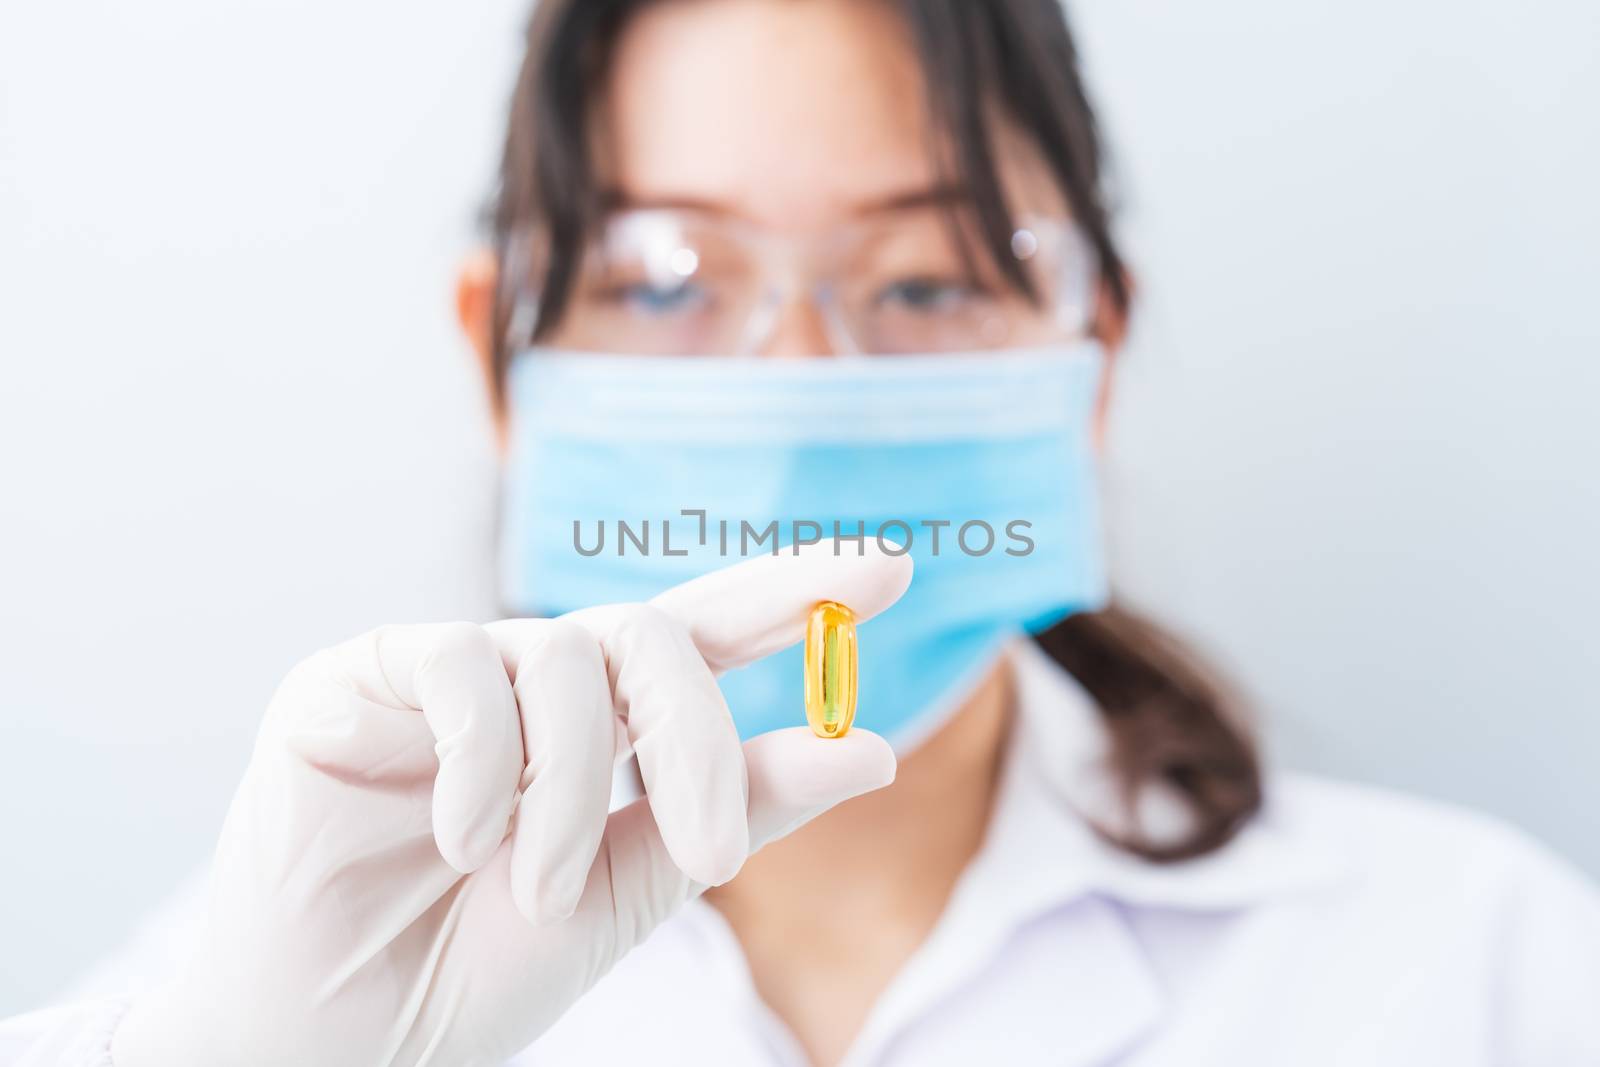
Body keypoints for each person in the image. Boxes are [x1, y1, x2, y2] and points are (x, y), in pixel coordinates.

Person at [4, 0, 1598, 1064]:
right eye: (666, 282)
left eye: (925, 278)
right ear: (503, 354)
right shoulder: (274, 984)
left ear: (1087, 356)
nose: (802, 389)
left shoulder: (1477, 966)